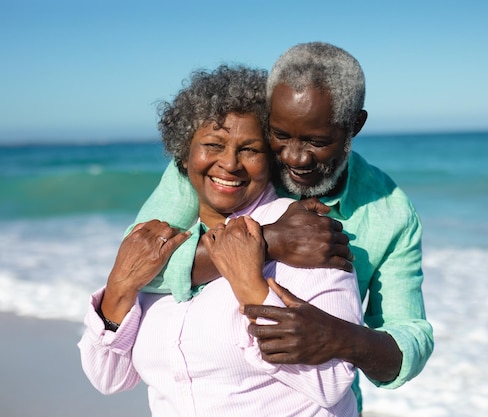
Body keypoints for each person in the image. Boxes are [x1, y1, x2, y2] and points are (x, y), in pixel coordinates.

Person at [131, 42, 434, 413]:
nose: (294, 157)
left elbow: (410, 336)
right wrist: (272, 240)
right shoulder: (227, 167)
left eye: (316, 141)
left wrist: (343, 339)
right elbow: (138, 266)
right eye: (280, 135)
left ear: (355, 125)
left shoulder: (389, 212)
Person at [78, 65, 363, 417]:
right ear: (184, 154)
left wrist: (251, 289)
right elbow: (109, 377)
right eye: (213, 145)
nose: (229, 163)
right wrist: (120, 288)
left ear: (271, 160)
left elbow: (333, 381)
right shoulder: (160, 249)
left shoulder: (302, 234)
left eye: (250, 150)